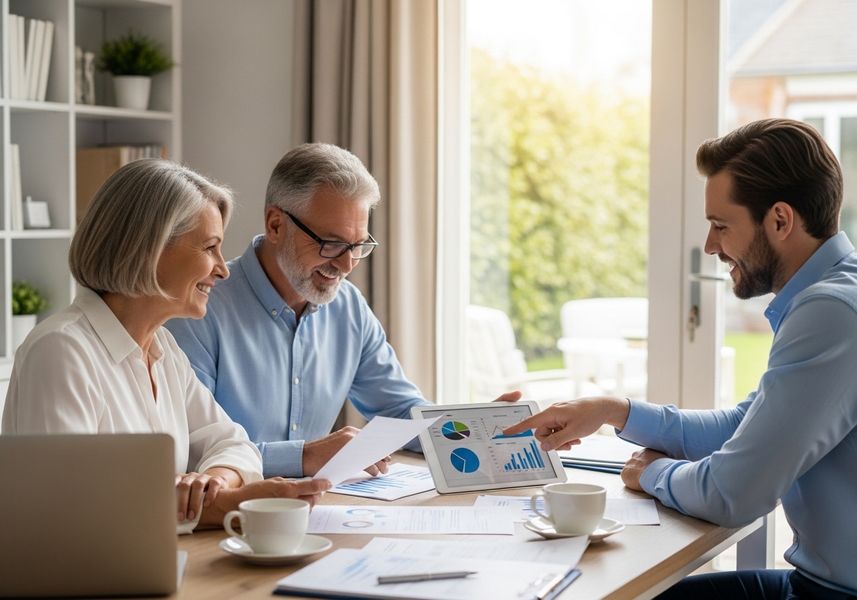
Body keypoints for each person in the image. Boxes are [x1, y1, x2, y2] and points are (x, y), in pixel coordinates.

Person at [504, 119, 857, 599]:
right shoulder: (832, 293)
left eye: (720, 226)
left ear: (779, 220)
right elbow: (743, 425)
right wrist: (613, 411)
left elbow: (733, 494)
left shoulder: (832, 312)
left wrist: (649, 474)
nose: (712, 246)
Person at [2, 159, 329, 529]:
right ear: (148, 249)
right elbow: (67, 511)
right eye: (210, 248)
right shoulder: (61, 352)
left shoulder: (163, 349)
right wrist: (228, 506)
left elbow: (235, 444)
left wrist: (213, 484)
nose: (223, 269)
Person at [167, 143, 518, 478]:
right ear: (275, 225)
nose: (347, 264)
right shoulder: (198, 308)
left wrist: (478, 428)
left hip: (321, 510)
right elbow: (194, 450)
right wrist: (304, 457)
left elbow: (398, 411)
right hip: (228, 520)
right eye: (331, 243)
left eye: (358, 245)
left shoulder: (347, 307)